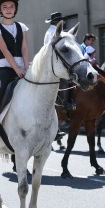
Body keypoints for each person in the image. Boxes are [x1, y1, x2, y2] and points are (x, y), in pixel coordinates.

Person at [0, 0, 29, 141]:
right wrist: (16, 69)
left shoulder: (21, 27)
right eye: (5, 7)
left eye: (11, 6)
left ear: (16, 8)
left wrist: (26, 67)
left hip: (22, 68)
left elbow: (24, 48)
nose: (9, 9)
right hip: (6, 68)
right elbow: (5, 50)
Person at [44, 12, 66, 140]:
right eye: (60, 21)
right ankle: (67, 103)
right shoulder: (54, 33)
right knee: (66, 82)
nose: (62, 23)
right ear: (57, 22)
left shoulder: (52, 31)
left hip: (52, 63)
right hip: (53, 64)